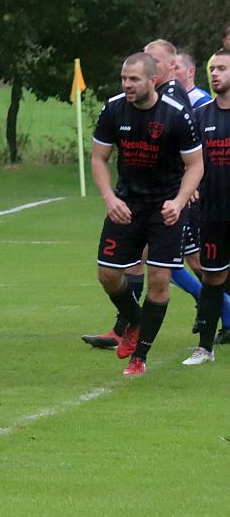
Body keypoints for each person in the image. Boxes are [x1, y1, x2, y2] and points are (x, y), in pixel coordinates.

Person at [89, 52, 203, 376]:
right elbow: (99, 158)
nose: (127, 84)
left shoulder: (176, 114)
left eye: (134, 79)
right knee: (107, 274)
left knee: (159, 280)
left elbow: (196, 165)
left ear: (152, 80)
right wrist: (109, 198)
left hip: (166, 207)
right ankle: (136, 322)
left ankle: (140, 357)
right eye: (124, 78)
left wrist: (179, 202)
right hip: (126, 203)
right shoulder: (113, 109)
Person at [185, 51, 230, 363]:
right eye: (212, 69)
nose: (215, 74)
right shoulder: (201, 116)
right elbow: (188, 163)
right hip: (213, 215)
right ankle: (205, 348)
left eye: (222, 68)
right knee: (212, 278)